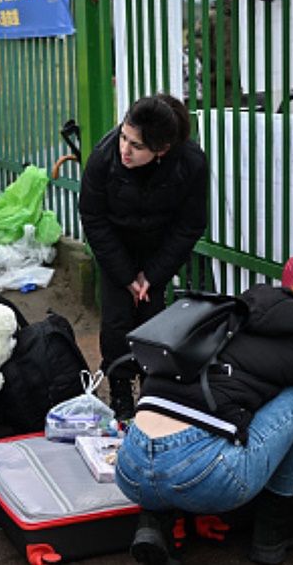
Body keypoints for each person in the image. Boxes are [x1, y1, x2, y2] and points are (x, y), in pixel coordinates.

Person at [115, 277, 293, 565]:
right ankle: (270, 538)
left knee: (187, 414)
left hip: (129, 465)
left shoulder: (233, 312)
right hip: (200, 473)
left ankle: (152, 523)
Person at [79, 93, 209, 421]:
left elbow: (190, 224)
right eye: (124, 137)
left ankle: (153, 391)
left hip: (159, 247)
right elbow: (92, 217)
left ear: (161, 150)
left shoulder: (190, 163)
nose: (125, 149)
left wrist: (153, 274)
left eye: (136, 146)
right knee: (116, 320)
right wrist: (125, 275)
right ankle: (120, 390)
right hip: (115, 247)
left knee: (154, 319)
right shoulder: (103, 158)